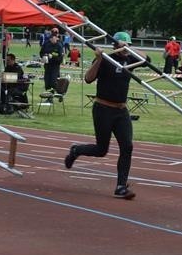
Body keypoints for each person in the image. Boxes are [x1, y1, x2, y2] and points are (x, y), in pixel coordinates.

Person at [64, 32, 149, 199]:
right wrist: (100, 58)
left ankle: (120, 186)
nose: (126, 49)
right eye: (122, 46)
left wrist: (130, 49)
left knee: (127, 146)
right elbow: (88, 78)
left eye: (128, 45)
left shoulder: (130, 59)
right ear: (115, 46)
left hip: (121, 111)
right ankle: (76, 150)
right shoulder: (106, 60)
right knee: (101, 150)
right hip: (103, 109)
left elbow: (147, 59)